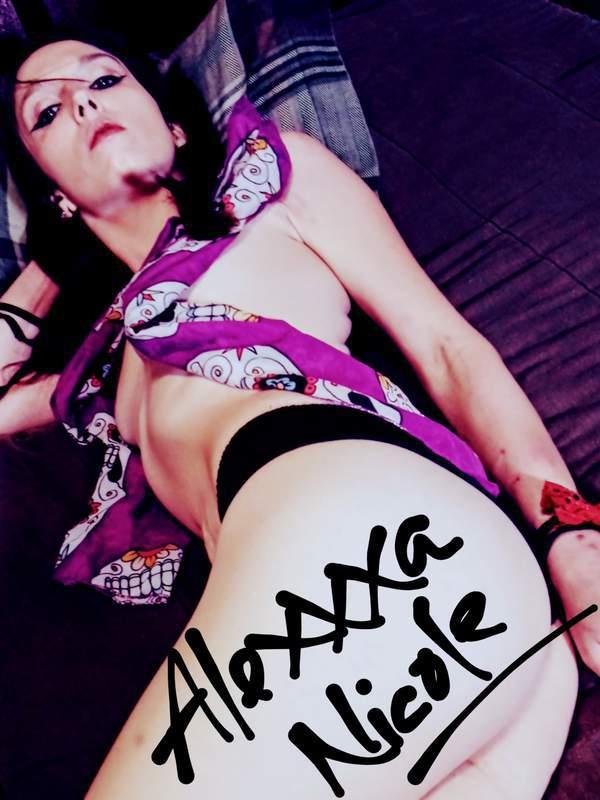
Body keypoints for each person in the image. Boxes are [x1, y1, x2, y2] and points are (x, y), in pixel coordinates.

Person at [1, 28, 599, 799]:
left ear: (175, 124)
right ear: (48, 191)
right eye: (47, 114)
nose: (84, 103)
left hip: (386, 558)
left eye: (105, 81)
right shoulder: (109, 359)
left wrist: (570, 530)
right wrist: (57, 247)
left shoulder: (267, 184)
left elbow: (446, 345)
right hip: (432, 635)